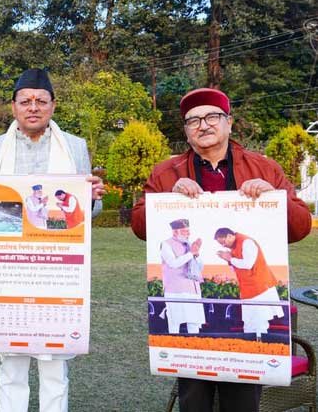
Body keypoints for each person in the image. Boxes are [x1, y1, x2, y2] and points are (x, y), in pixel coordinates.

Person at [131, 87, 312, 412]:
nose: (203, 125)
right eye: (193, 120)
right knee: (193, 394)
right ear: (186, 131)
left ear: (229, 122)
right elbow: (140, 225)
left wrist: (274, 199)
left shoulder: (264, 168)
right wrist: (168, 199)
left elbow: (300, 227)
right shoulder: (166, 172)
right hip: (188, 300)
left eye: (212, 117)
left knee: (243, 396)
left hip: (250, 295)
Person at [0, 68, 105, 412]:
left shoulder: (74, 147)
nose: (33, 107)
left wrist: (93, 198)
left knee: (55, 366)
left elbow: (88, 213)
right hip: (9, 268)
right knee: (11, 365)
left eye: (41, 100)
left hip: (56, 267)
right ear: (13, 106)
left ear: (53, 105)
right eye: (25, 101)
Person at [214, 227, 283, 339]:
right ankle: (250, 346)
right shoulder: (234, 247)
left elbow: (248, 264)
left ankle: (261, 346)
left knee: (260, 321)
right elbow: (237, 269)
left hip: (260, 288)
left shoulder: (247, 242)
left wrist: (230, 259)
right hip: (248, 289)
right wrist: (229, 260)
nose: (223, 246)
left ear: (229, 236)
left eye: (223, 242)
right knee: (249, 321)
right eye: (221, 244)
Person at [159, 219, 205, 334]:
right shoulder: (166, 244)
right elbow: (173, 263)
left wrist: (196, 254)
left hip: (193, 289)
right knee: (175, 322)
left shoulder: (190, 245)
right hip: (175, 290)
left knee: (194, 322)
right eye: (185, 231)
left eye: (189, 231)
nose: (188, 233)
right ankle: (173, 344)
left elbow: (199, 267)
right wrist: (191, 253)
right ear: (175, 232)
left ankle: (194, 344)